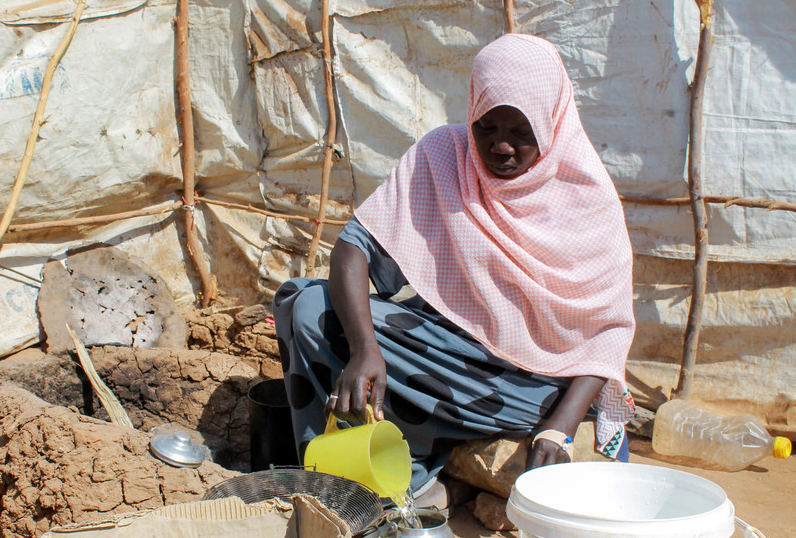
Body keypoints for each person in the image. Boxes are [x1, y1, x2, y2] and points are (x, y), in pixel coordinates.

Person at [272, 33, 636, 505]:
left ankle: (409, 460)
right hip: (448, 352)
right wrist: (365, 350)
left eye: (520, 132)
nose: (500, 147)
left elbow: (603, 340)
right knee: (306, 306)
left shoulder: (586, 197)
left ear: (551, 121)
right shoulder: (446, 156)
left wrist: (559, 430)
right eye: (486, 126)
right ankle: (359, 473)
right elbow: (353, 247)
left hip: (530, 384)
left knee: (324, 316)